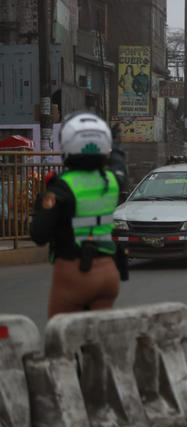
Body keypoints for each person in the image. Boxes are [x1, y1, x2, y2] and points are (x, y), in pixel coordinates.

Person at [30, 112, 128, 319]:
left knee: (60, 339)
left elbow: (39, 235)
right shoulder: (112, 180)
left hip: (75, 273)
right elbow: (118, 164)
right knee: (99, 338)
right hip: (109, 273)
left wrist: (42, 205)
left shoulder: (62, 186)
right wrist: (116, 146)